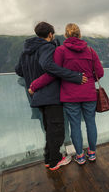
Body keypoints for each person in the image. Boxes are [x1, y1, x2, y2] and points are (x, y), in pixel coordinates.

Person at [15, 21, 87, 171]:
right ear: (50, 34)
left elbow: (19, 71)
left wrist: (33, 80)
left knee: (49, 129)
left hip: (36, 96)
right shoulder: (47, 46)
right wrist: (75, 76)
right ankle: (55, 161)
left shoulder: (26, 51)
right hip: (50, 94)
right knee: (57, 129)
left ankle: (49, 159)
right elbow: (49, 66)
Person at [29, 23, 104, 165]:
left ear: (66, 35)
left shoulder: (60, 51)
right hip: (89, 94)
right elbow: (100, 73)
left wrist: (34, 85)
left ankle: (80, 157)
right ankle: (92, 154)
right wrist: (88, 81)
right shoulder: (90, 50)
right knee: (90, 123)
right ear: (79, 34)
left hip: (70, 96)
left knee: (75, 125)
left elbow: (53, 73)